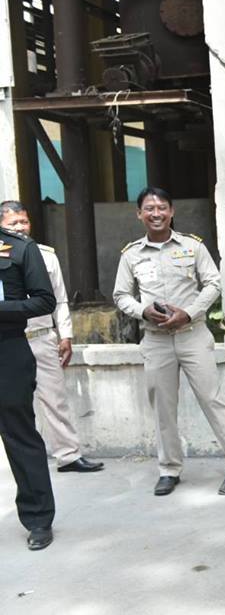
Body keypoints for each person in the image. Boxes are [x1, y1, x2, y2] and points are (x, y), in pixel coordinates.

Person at [113, 187, 225, 496]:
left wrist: (188, 313)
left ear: (172, 211)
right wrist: (143, 311)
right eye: (149, 208)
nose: (156, 213)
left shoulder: (192, 246)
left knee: (213, 400)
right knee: (163, 408)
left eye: (162, 207)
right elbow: (121, 295)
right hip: (156, 340)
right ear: (139, 214)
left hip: (192, 336)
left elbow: (213, 283)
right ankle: (169, 469)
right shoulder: (131, 254)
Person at [0, 201, 104, 473]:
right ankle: (24, 458)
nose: (20, 227)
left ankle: (68, 455)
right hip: (9, 341)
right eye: (13, 223)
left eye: (24, 221)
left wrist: (65, 334)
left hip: (41, 337)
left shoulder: (45, 255)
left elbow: (59, 299)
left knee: (54, 399)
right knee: (14, 403)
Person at [0, 221, 57, 550]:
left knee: (19, 436)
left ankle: (38, 519)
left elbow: (44, 301)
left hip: (7, 351)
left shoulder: (20, 248)